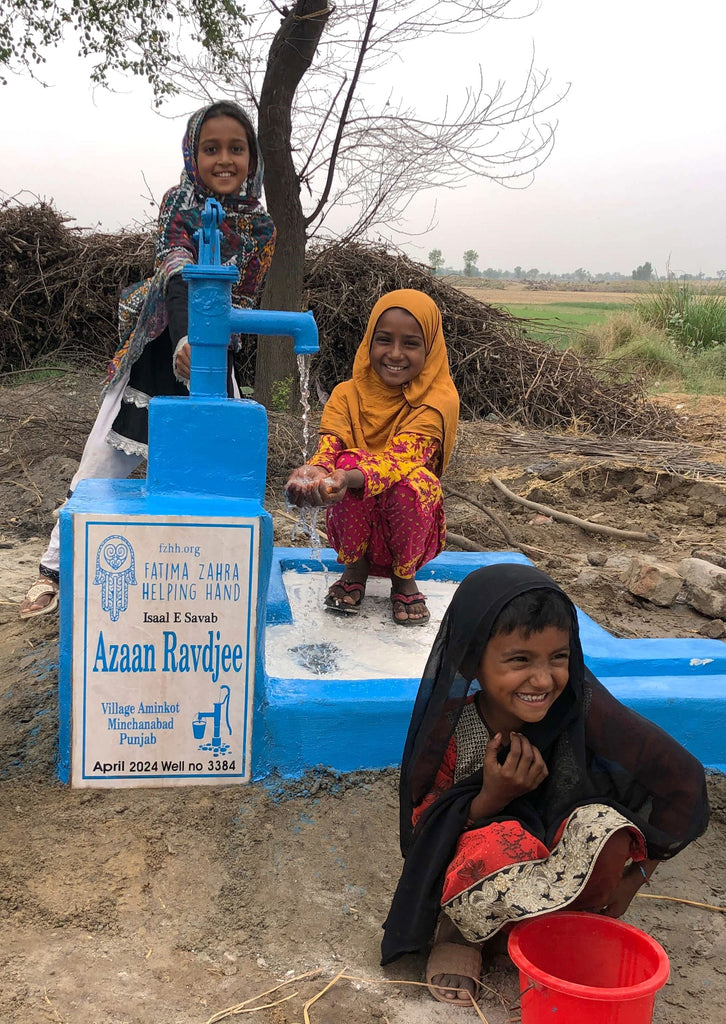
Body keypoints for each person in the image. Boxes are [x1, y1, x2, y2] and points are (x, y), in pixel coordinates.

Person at [381, 562, 709, 1005]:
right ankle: (462, 934)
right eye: (519, 660)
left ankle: (553, 927)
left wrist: (637, 874)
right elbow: (423, 828)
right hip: (477, 868)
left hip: (554, 860)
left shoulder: (581, 708)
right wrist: (490, 799)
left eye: (558, 658)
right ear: (472, 661)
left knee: (606, 829)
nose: (543, 679)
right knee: (500, 838)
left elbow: (679, 777)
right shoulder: (452, 729)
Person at [20, 100, 276, 618]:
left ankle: (208, 576)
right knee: (102, 464)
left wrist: (209, 344)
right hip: (161, 345)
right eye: (211, 149)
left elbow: (243, 297)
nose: (223, 159)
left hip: (213, 354)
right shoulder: (177, 205)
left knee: (218, 468)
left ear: (252, 157)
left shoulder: (262, 228)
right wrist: (185, 341)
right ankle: (55, 569)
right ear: (192, 154)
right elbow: (176, 268)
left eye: (236, 148)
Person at [284, 289, 459, 625]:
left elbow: (398, 460)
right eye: (384, 340)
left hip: (409, 521)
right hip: (355, 521)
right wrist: (317, 471)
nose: (395, 354)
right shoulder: (347, 394)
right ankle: (355, 567)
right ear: (369, 343)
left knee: (412, 482)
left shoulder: (438, 400)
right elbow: (329, 448)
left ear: (430, 348)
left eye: (410, 343)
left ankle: (404, 578)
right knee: (345, 465)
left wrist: (345, 477)